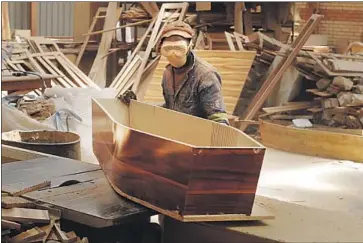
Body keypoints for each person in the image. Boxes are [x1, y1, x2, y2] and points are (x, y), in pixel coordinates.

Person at [157, 21, 229, 125]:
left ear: (189, 46)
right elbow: (170, 107)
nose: (173, 54)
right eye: (167, 49)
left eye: (179, 48)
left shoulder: (205, 76)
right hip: (176, 132)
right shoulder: (168, 74)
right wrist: (137, 105)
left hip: (198, 136)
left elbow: (218, 118)